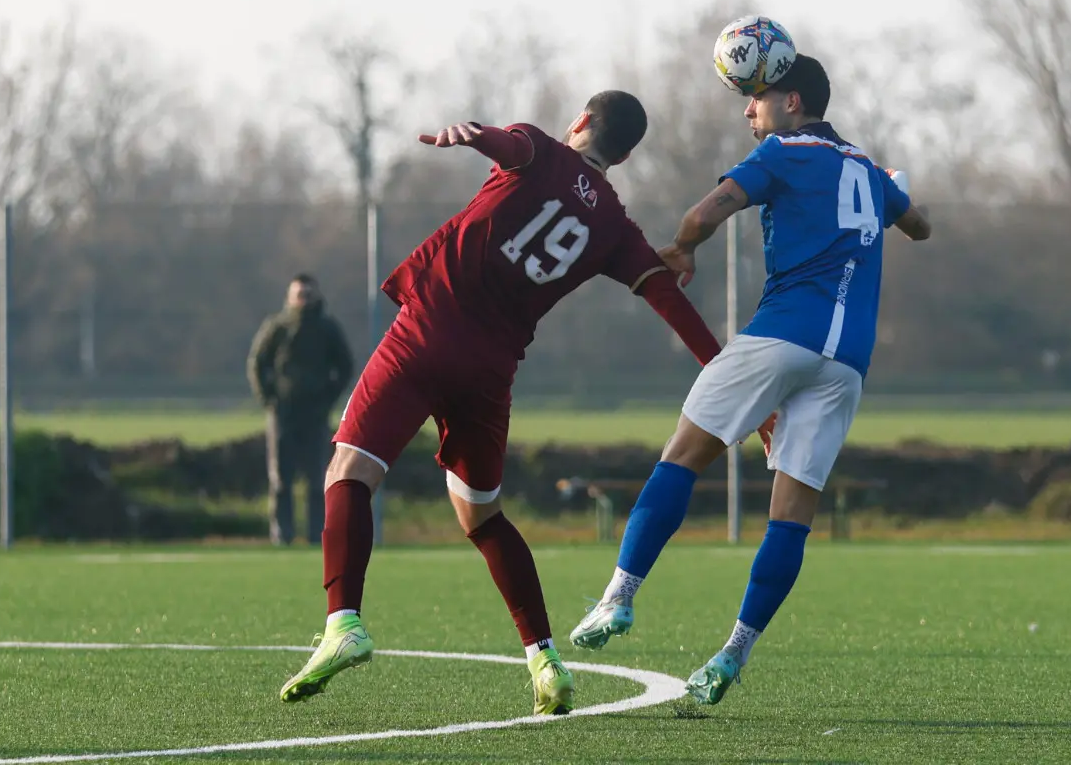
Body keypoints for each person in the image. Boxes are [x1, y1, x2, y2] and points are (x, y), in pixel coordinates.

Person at [279, 91, 733, 715]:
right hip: (489, 372)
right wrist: (730, 378)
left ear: (580, 122)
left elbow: (511, 145)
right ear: (625, 156)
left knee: (349, 471)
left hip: (426, 334)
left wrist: (473, 135)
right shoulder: (616, 229)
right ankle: (544, 659)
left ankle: (343, 623)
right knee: (483, 518)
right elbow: (670, 302)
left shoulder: (541, 149)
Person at [570, 54, 932, 705]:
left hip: (781, 335)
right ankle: (734, 653)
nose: (748, 109)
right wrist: (893, 192)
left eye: (758, 97)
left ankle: (618, 596)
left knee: (682, 457)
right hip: (847, 362)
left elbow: (707, 212)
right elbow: (921, 227)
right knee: (791, 518)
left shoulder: (782, 153)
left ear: (792, 102)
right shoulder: (869, 170)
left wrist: (683, 247)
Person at [247, 273, 354, 545]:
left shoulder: (327, 328)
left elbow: (345, 366)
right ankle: (282, 535)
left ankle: (317, 535)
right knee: (281, 479)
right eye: (299, 295)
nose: (304, 300)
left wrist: (328, 398)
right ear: (290, 297)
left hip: (316, 414)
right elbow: (257, 363)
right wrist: (269, 400)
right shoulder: (277, 327)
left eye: (308, 294)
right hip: (283, 413)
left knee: (318, 479)